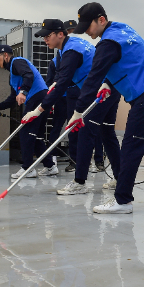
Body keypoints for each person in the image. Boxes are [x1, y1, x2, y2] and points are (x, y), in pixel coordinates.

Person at [69, 2, 144, 214]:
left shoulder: (107, 43)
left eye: (89, 26)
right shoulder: (123, 29)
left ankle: (122, 201)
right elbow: (128, 61)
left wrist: (78, 111)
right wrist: (109, 83)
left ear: (101, 20)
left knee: (131, 149)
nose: (87, 31)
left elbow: (92, 77)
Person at [21, 19, 122, 196]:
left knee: (85, 132)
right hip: (109, 88)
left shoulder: (71, 51)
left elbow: (63, 85)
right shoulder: (66, 49)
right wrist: (53, 85)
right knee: (106, 133)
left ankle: (79, 182)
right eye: (43, 37)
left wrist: (38, 110)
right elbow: (60, 79)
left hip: (102, 91)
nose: (45, 40)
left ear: (61, 34)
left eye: (48, 36)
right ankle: (121, 177)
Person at [0, 44, 57, 178]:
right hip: (41, 98)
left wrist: (24, 91)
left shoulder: (17, 62)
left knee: (26, 132)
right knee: (36, 135)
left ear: (6, 55)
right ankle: (50, 166)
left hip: (37, 97)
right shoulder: (12, 76)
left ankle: (28, 168)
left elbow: (29, 75)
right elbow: (12, 98)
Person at [63, 19, 80, 173]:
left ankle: (99, 160)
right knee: (73, 128)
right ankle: (74, 161)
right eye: (69, 31)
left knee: (93, 129)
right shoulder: (63, 53)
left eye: (73, 30)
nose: (71, 34)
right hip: (71, 93)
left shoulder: (82, 46)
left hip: (86, 91)